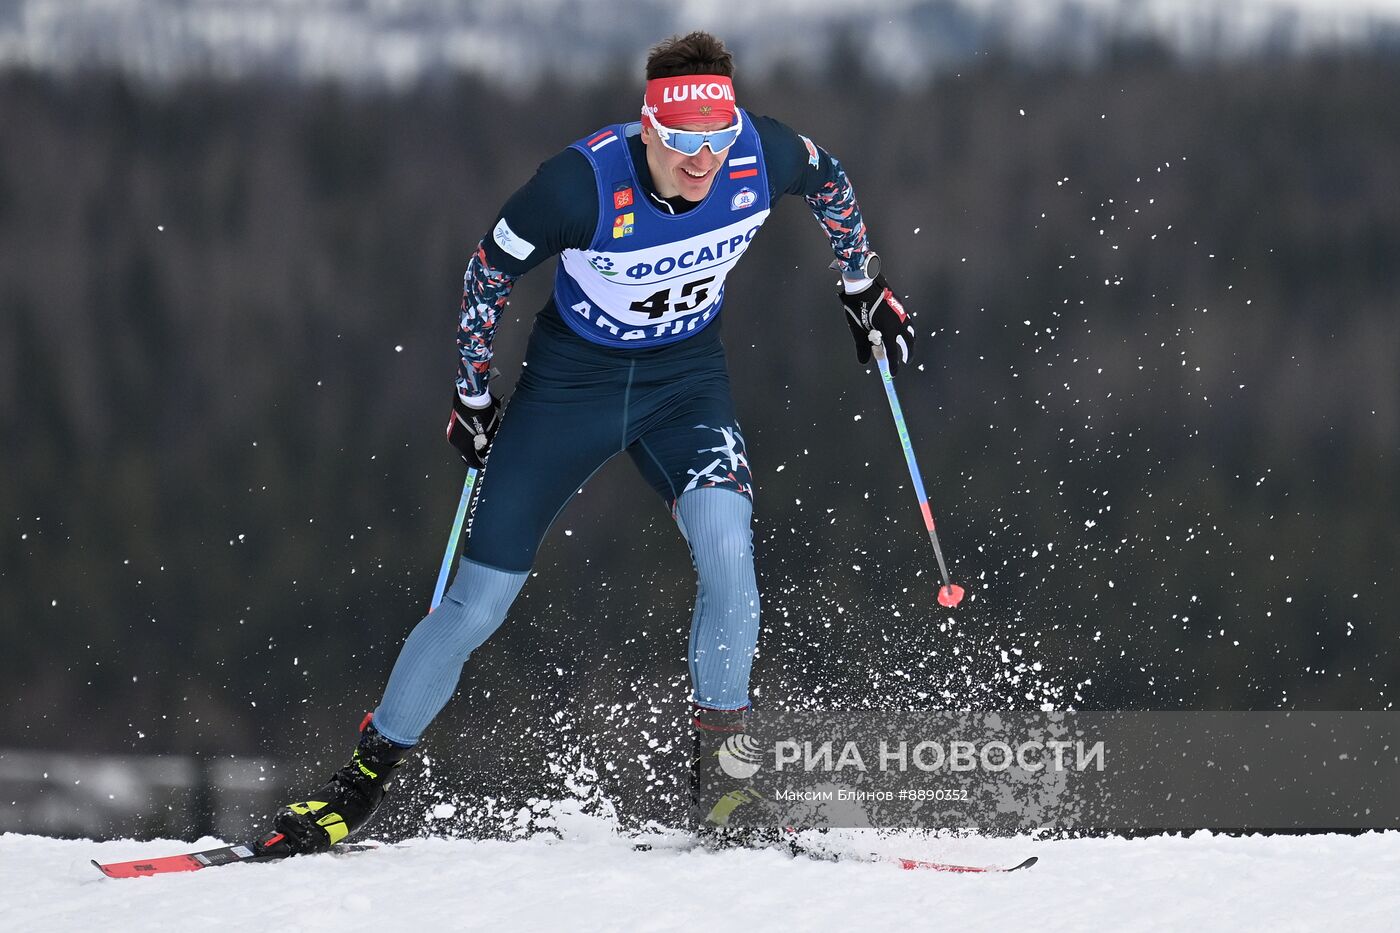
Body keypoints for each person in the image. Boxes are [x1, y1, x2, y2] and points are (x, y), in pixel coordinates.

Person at [256, 30, 916, 855]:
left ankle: (725, 789)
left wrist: (864, 282)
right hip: (572, 390)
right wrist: (470, 393)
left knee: (729, 556)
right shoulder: (579, 186)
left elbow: (831, 182)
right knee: (476, 606)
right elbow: (486, 274)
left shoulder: (760, 153)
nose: (704, 159)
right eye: (682, 142)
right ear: (649, 129)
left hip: (685, 384)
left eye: (717, 136)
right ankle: (354, 788)